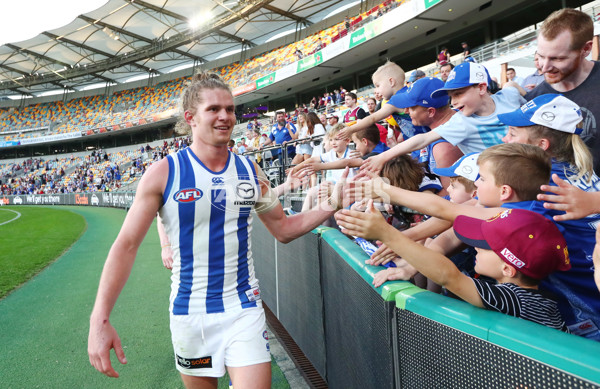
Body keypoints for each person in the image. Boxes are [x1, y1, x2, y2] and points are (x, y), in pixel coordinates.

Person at [87, 72, 345, 388]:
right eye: (213, 109)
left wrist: (330, 204)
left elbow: (283, 228)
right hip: (190, 314)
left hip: (243, 308)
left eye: (230, 109)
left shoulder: (249, 172)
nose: (225, 116)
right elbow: (126, 245)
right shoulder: (163, 174)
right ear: (190, 118)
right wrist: (100, 319)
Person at [336, 205, 570, 331]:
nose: (475, 248)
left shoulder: (517, 299)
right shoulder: (537, 298)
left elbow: (449, 276)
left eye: (483, 246)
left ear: (508, 269)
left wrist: (387, 234)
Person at [360, 62, 524, 174]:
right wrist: (382, 157)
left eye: (458, 94)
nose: (454, 101)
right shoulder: (460, 122)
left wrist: (526, 92)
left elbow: (512, 87)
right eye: (451, 96)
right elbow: (421, 139)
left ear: (481, 87)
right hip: (503, 181)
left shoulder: (508, 96)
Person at [526, 8, 600, 174]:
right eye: (541, 56)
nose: (544, 67)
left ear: (586, 49)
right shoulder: (534, 100)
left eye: (557, 58)